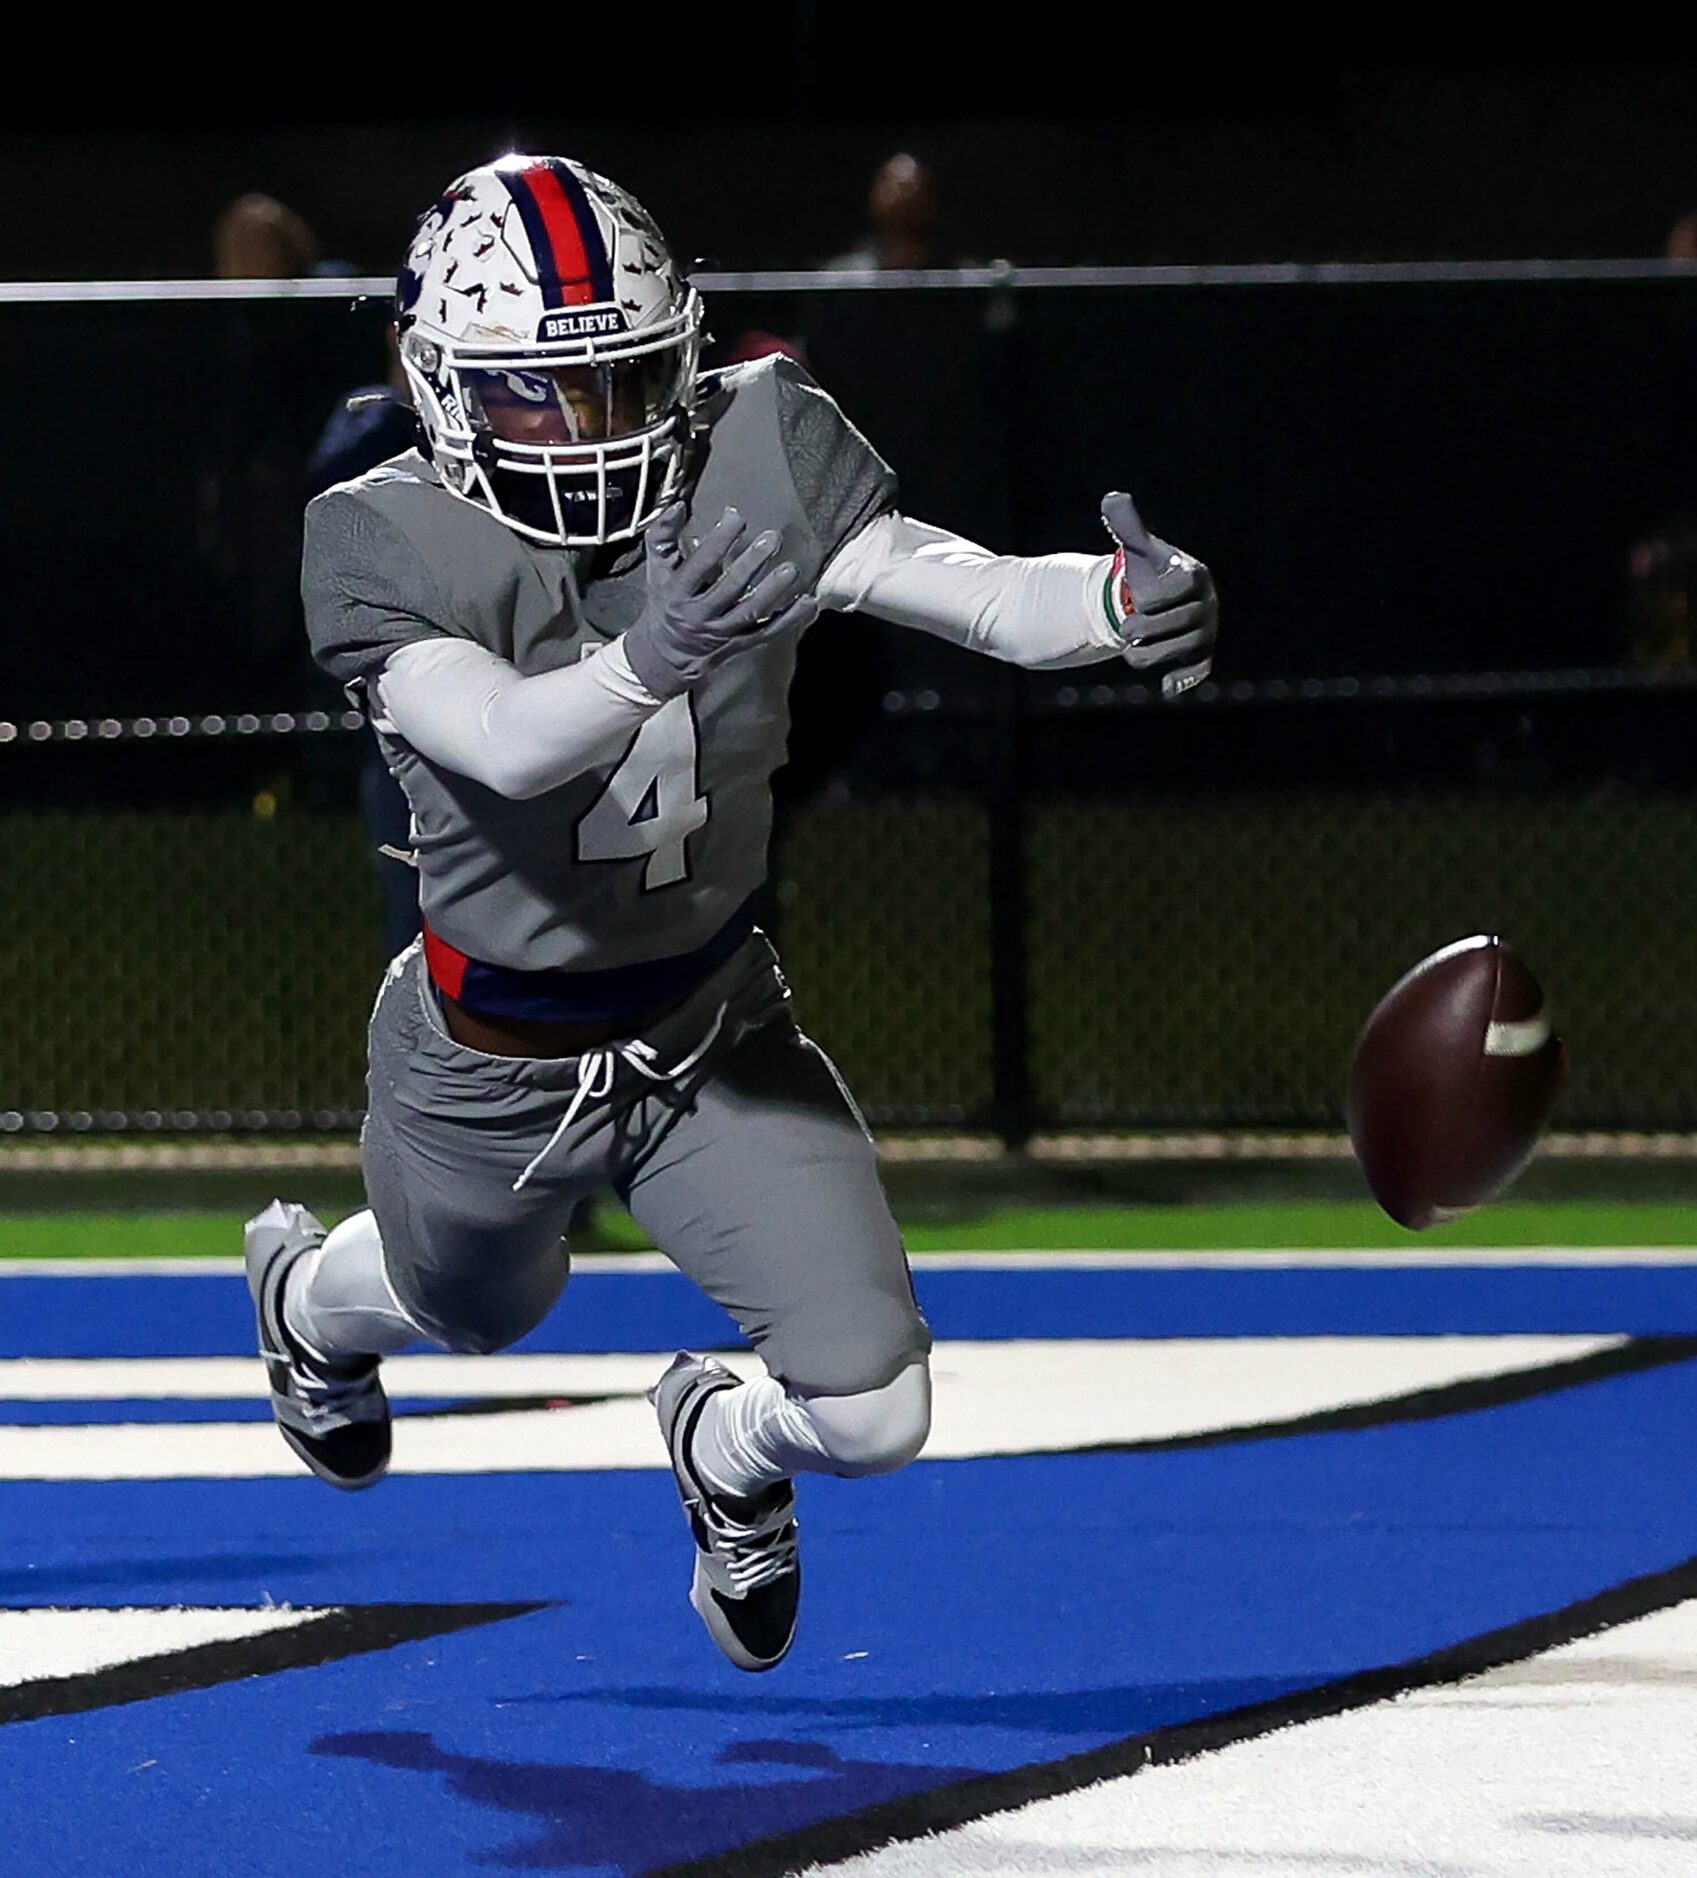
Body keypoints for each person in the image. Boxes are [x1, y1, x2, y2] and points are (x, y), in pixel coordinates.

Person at [246, 153, 1217, 1674]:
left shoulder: (759, 438)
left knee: (876, 1407)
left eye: (622, 382)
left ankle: (728, 1437)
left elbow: (961, 587)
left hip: (708, 1025)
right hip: (488, 1048)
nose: (584, 432)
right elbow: (500, 735)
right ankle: (309, 1298)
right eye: (530, 397)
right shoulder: (375, 531)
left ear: (684, 353)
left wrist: (1111, 602)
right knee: (472, 1308)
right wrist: (653, 655)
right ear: (435, 385)